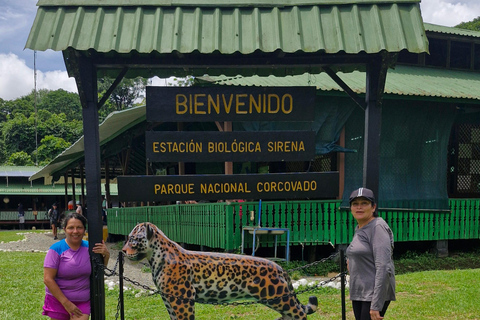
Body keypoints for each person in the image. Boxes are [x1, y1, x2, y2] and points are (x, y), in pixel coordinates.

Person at [42, 212, 110, 320]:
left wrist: (106, 256)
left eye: (79, 227)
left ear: (84, 230)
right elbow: (48, 279)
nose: (75, 231)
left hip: (82, 301)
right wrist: (66, 303)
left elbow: (98, 272)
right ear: (64, 229)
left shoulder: (90, 248)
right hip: (59, 300)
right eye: (71, 228)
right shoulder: (56, 249)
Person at [346, 188, 396, 320]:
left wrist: (376, 304)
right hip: (360, 292)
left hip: (373, 294)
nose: (359, 207)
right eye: (355, 204)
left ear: (373, 207)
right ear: (351, 208)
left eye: (364, 203)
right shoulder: (360, 227)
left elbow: (384, 267)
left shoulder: (377, 227)